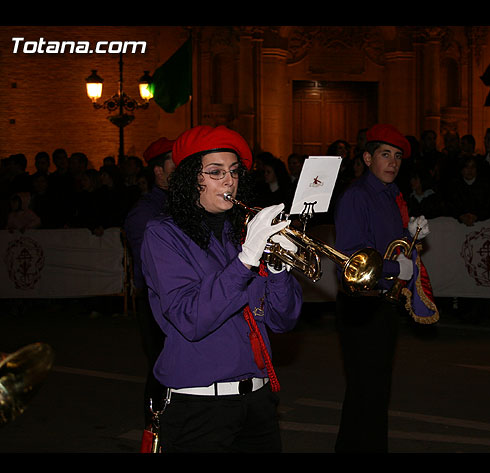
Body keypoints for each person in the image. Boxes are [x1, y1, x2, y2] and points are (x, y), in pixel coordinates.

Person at [140, 125, 302, 453]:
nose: (229, 181)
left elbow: (283, 321)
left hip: (258, 402)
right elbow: (191, 319)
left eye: (234, 171)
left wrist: (278, 267)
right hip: (198, 407)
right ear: (190, 179)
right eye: (215, 172)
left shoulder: (241, 235)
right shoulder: (163, 235)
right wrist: (245, 260)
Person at [333, 123, 438, 453]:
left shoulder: (391, 195)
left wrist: (410, 237)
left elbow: (389, 245)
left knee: (374, 391)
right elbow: (352, 256)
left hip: (381, 302)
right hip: (361, 304)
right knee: (367, 391)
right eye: (384, 155)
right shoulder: (357, 196)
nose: (392, 163)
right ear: (367, 158)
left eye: (397, 157)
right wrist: (396, 268)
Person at [123, 137, 175, 429]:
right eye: (175, 163)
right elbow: (152, 268)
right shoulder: (145, 212)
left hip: (180, 299)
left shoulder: (185, 202)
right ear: (159, 171)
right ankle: (155, 432)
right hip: (159, 303)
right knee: (162, 370)